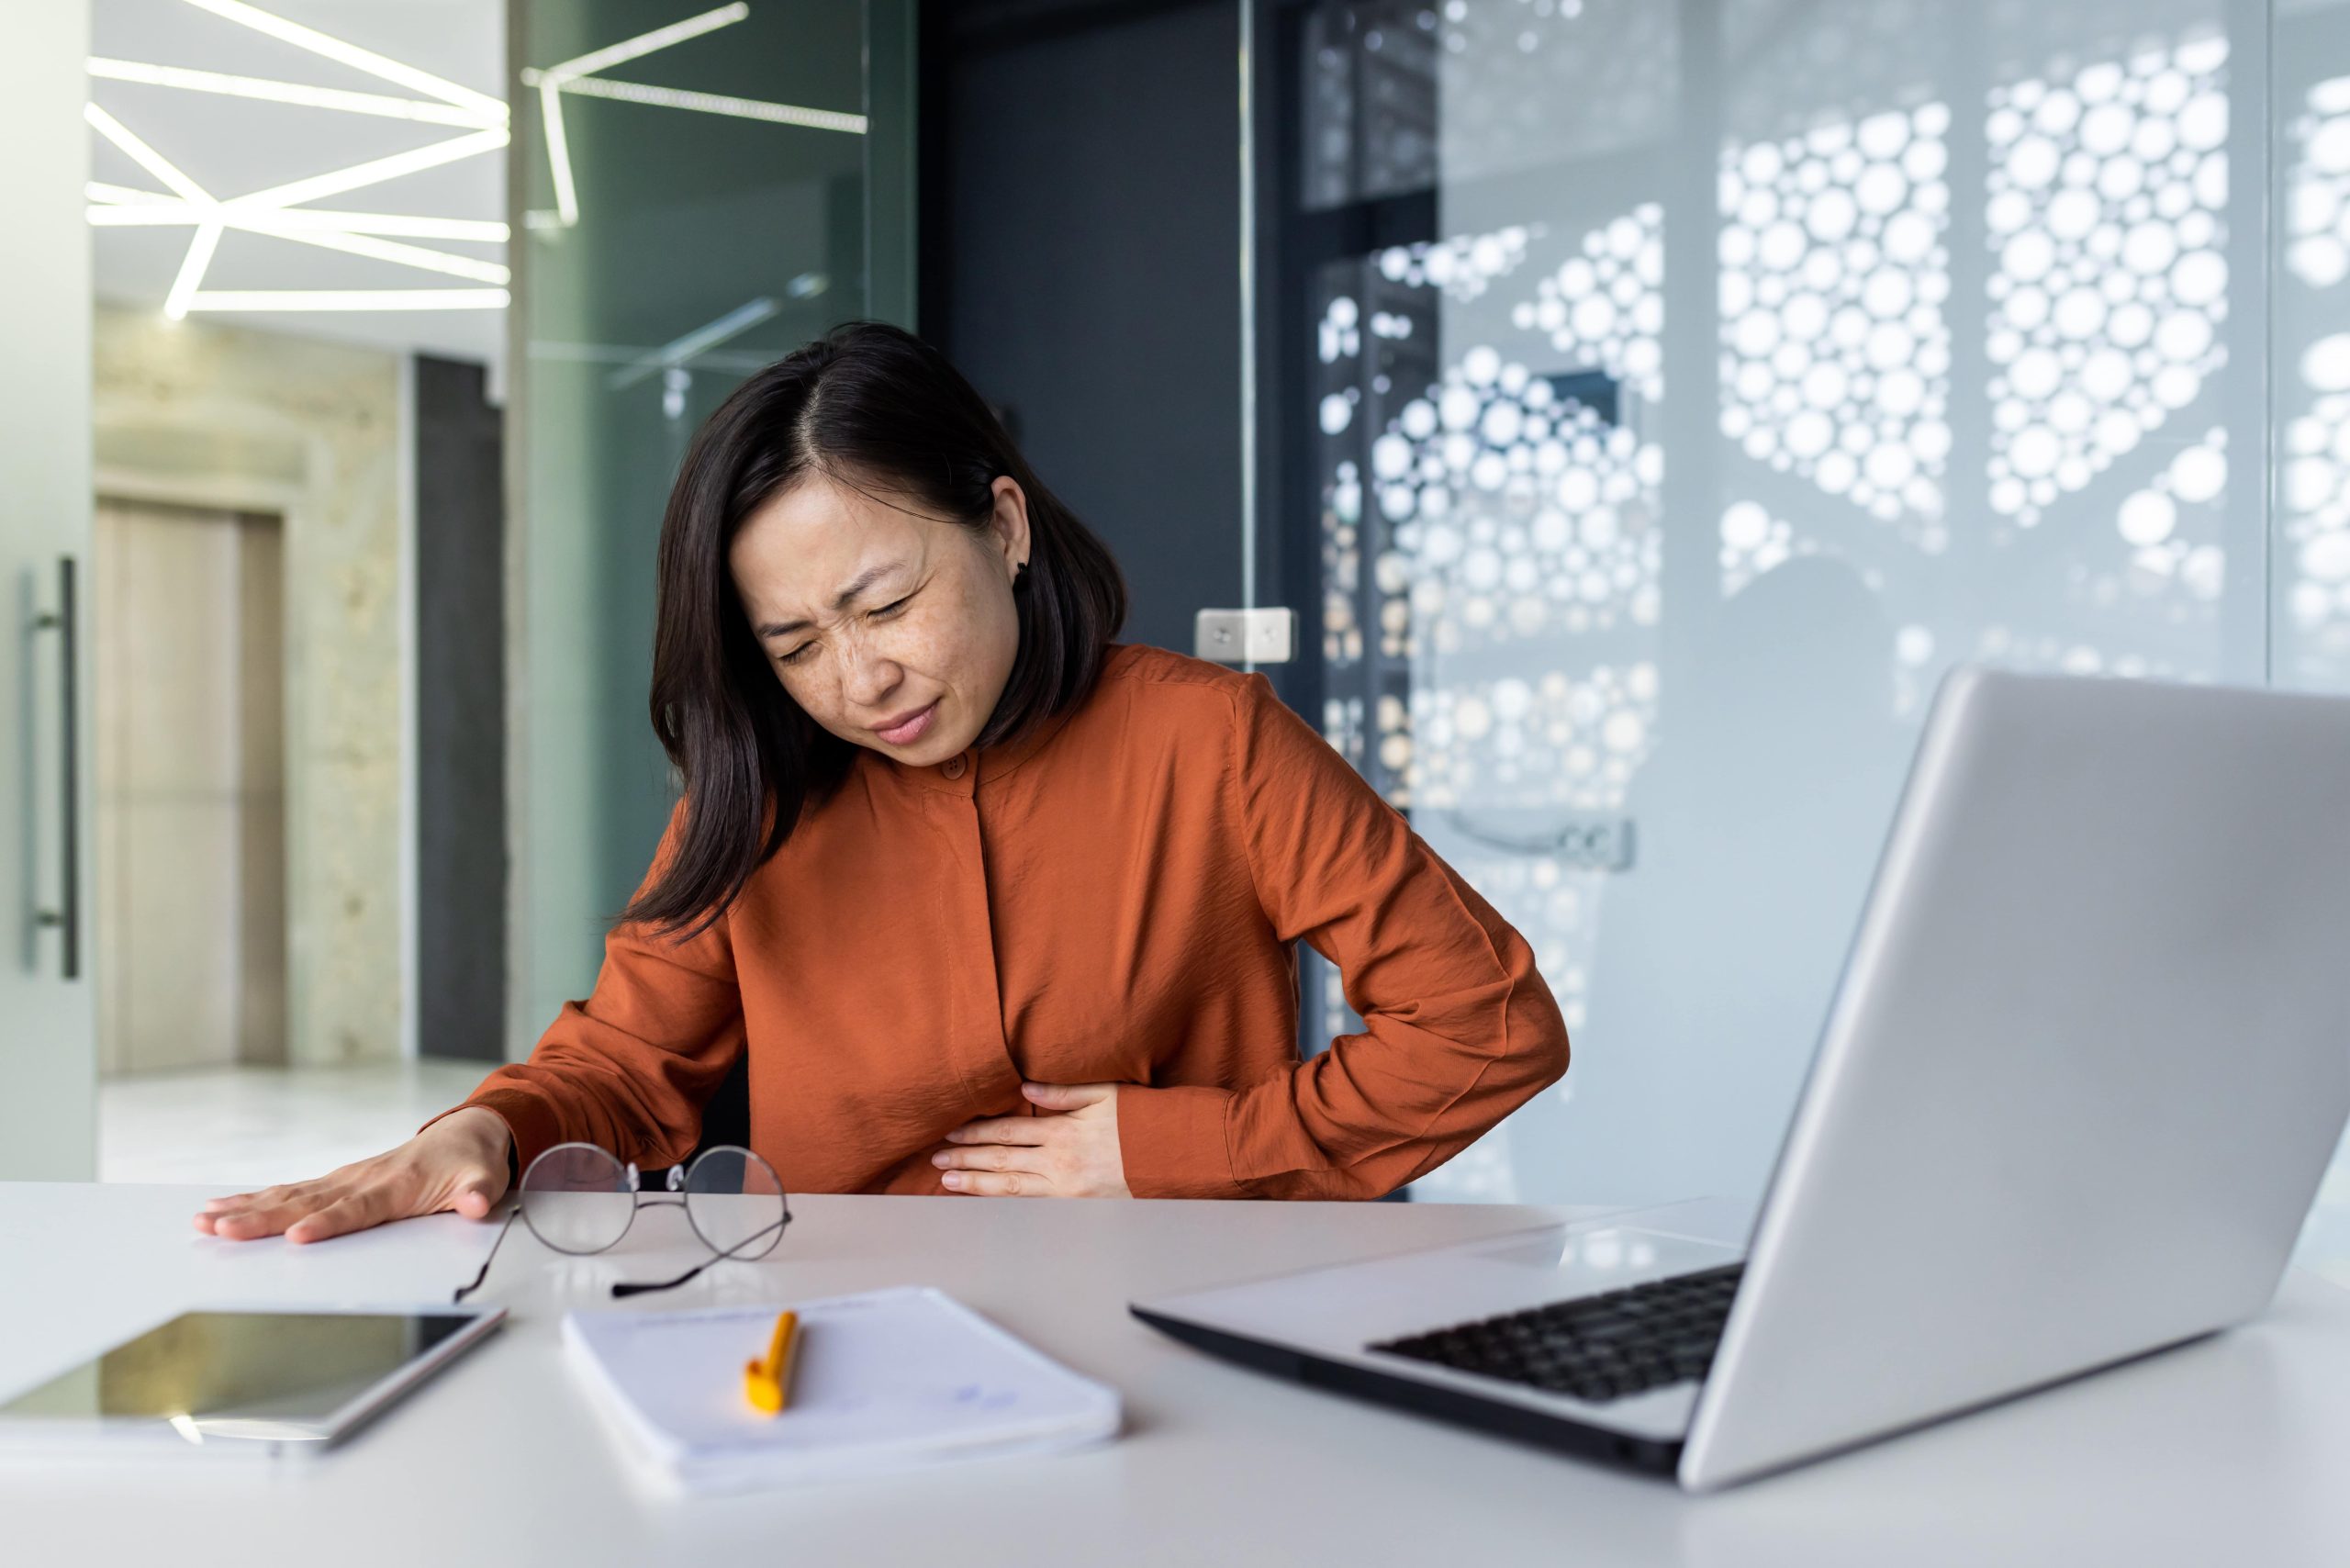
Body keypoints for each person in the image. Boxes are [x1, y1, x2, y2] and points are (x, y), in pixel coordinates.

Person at [196, 321, 1571, 1246]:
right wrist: (490, 1124)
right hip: (840, 1335)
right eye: (794, 643)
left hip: (1186, 1305)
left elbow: (1487, 1026)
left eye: (888, 602)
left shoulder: (1209, 744)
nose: (858, 680)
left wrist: (1188, 1147)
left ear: (1005, 525)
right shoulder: (761, 792)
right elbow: (625, 1065)